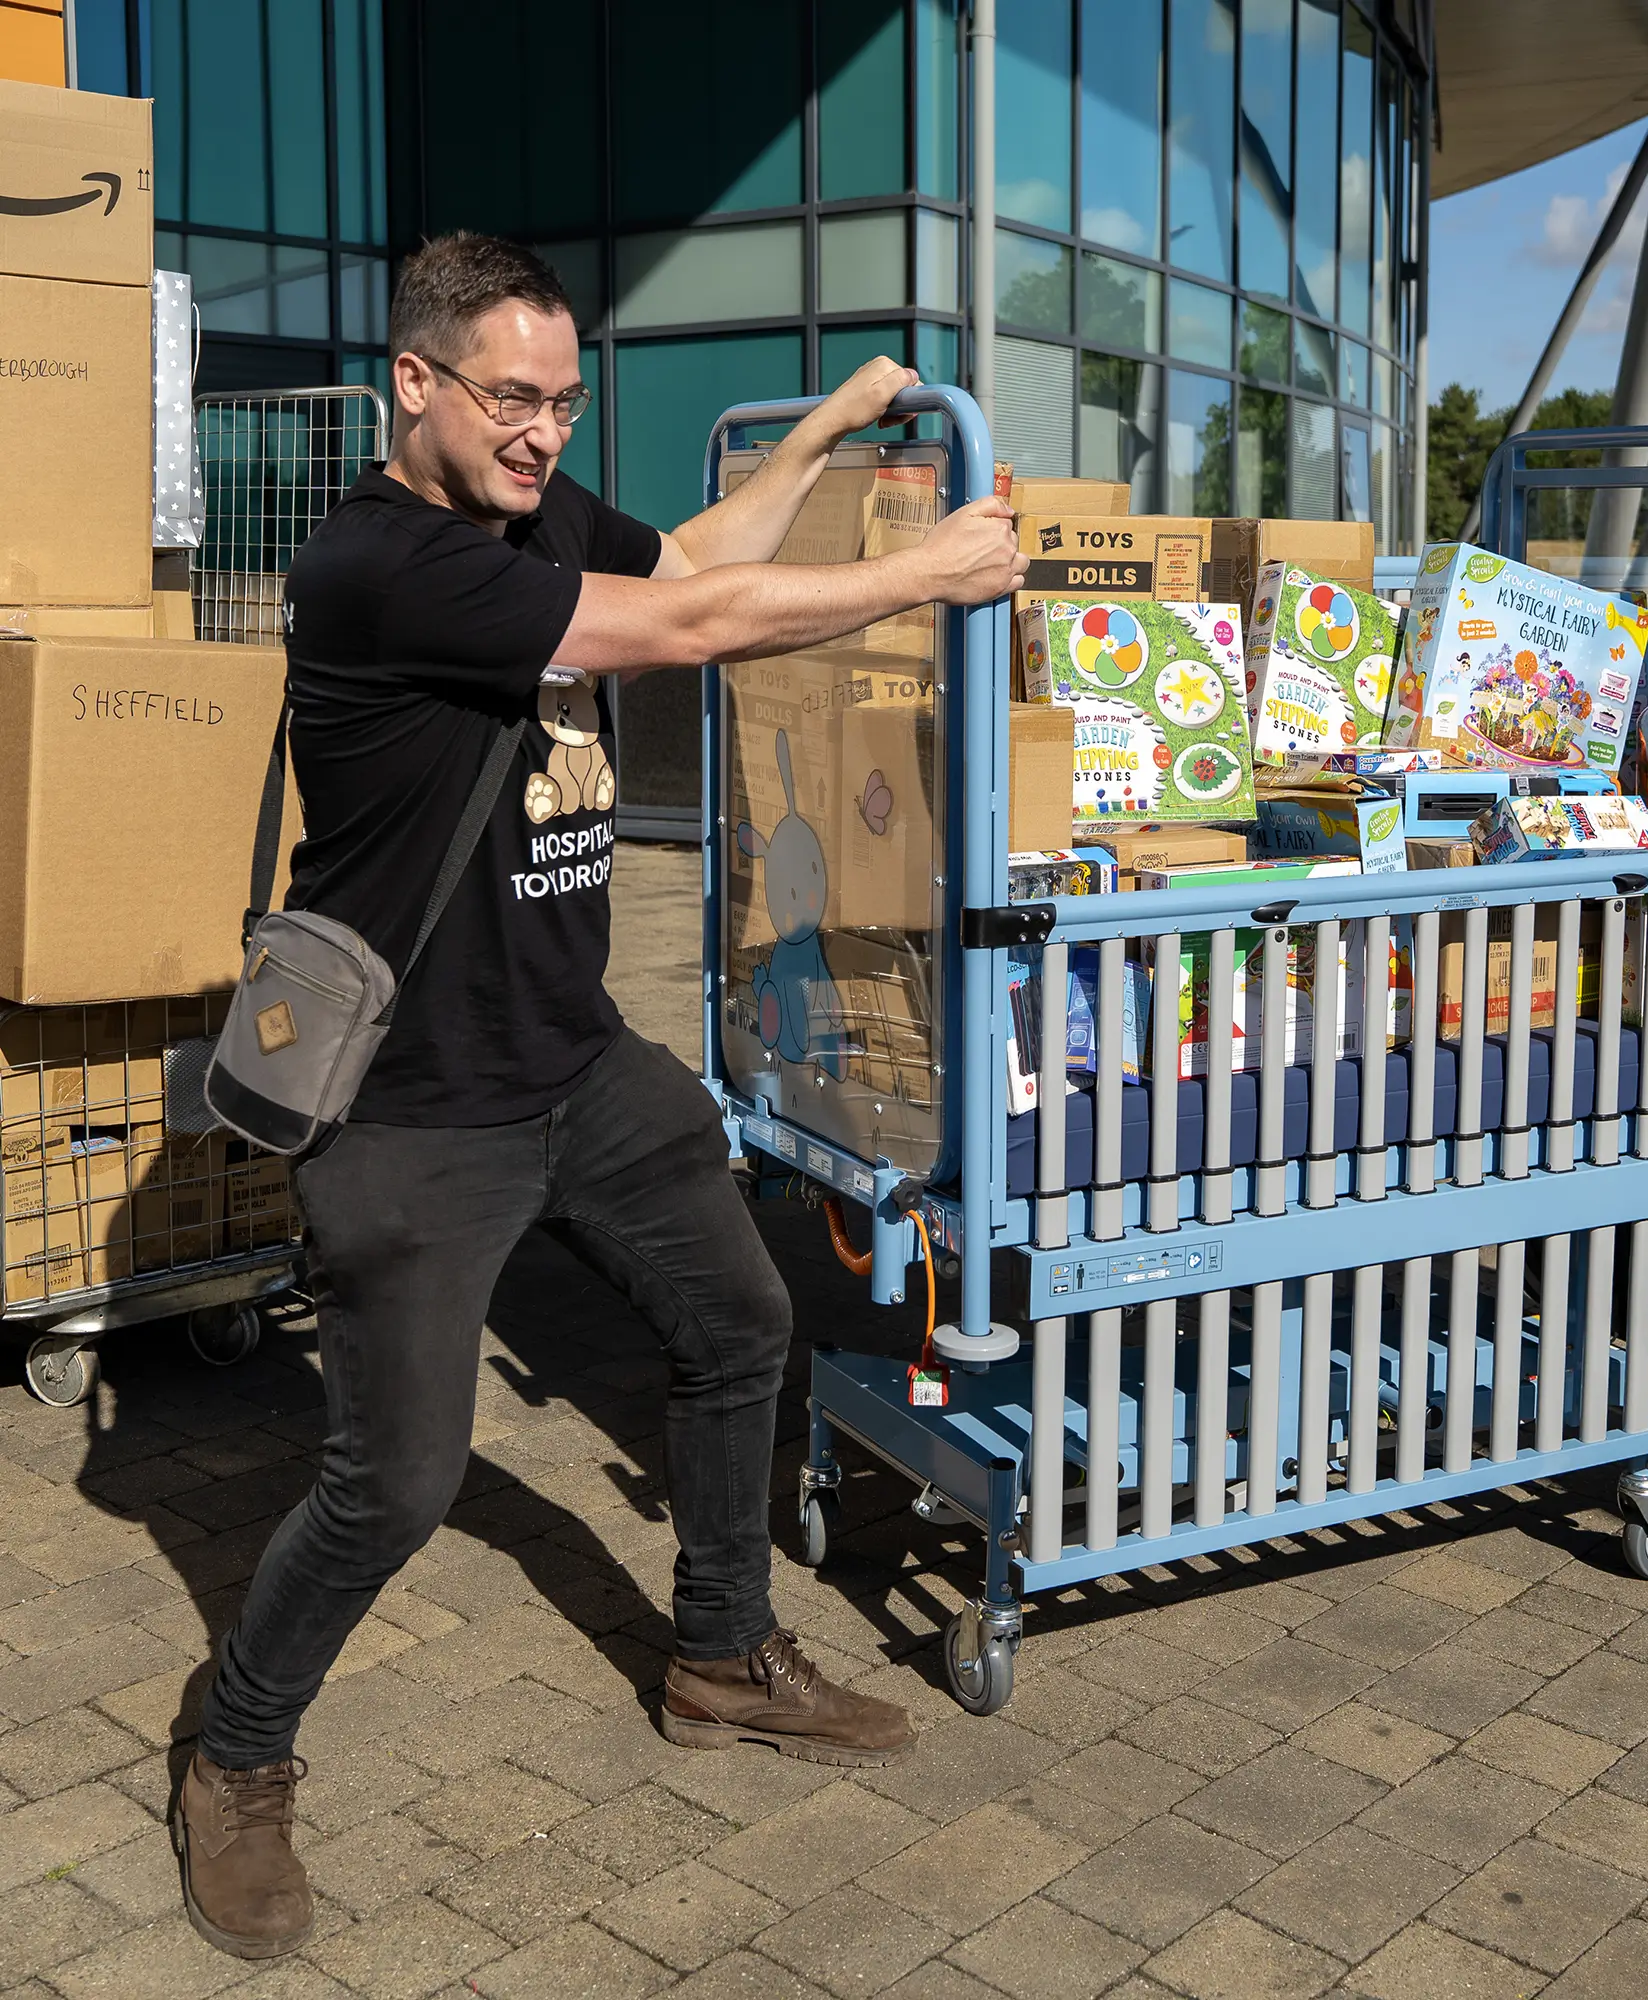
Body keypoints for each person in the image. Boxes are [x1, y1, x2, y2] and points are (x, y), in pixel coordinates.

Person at [171, 230, 1027, 1962]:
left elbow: (701, 552)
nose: (545, 432)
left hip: (581, 1064)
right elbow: (697, 625)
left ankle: (717, 1654)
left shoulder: (531, 516)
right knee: (395, 1486)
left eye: (565, 401)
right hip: (417, 1112)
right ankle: (235, 1744)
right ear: (415, 381)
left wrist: (833, 432)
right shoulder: (379, 567)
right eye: (512, 397)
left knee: (735, 1324)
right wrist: (924, 573)